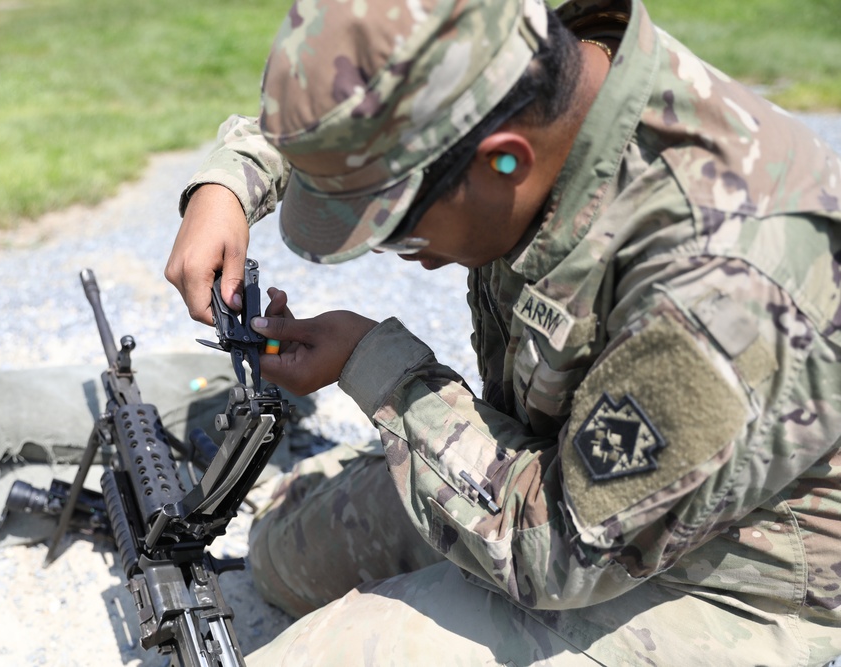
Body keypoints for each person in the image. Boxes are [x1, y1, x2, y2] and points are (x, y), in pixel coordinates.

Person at [165, 0, 841, 664]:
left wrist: (377, 367)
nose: (411, 256)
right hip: (563, 482)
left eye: (397, 231)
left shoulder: (722, 291)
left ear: (505, 160)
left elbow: (559, 551)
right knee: (284, 551)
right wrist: (227, 183)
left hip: (726, 581)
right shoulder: (538, 55)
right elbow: (364, 84)